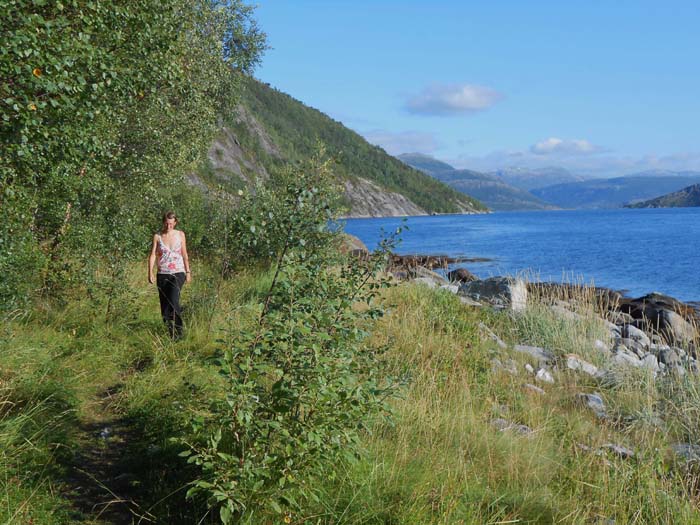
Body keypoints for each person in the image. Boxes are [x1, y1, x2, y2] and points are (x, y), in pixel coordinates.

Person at [148, 211, 191, 339]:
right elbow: (153, 255)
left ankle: (179, 332)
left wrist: (188, 272)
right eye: (166, 223)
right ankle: (169, 331)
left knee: (173, 300)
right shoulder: (157, 236)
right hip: (162, 273)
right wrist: (149, 272)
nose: (169, 226)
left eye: (171, 224)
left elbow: (184, 254)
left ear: (175, 223)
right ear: (163, 222)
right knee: (165, 305)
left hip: (178, 272)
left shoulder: (180, 234)